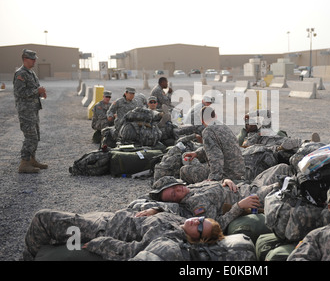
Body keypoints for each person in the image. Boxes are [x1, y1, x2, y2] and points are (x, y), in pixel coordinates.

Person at [131, 164, 291, 231]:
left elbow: (213, 184)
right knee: (286, 184)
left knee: (283, 167)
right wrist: (240, 206)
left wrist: (225, 181)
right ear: (175, 201)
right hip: (249, 197)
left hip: (246, 185)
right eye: (174, 194)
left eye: (174, 186)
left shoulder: (190, 187)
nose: (178, 189)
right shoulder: (195, 206)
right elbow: (216, 224)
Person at [23, 208, 224, 261]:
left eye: (199, 228)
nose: (196, 221)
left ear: (197, 239)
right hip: (107, 218)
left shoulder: (168, 239)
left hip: (98, 230)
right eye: (201, 219)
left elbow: (133, 251)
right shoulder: (179, 221)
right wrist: (155, 209)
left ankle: (31, 257)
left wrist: (99, 244)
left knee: (43, 219)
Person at [181, 106, 245, 183]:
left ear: (202, 120)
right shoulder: (225, 127)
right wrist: (197, 153)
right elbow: (218, 147)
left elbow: (216, 157)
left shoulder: (208, 131)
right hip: (239, 171)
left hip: (227, 175)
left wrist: (213, 179)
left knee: (184, 170)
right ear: (215, 116)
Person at [13, 49, 47, 173]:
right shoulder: (20, 74)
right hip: (25, 111)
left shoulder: (31, 73)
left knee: (36, 136)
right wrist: (36, 92)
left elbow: (35, 89)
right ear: (24, 59)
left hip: (33, 110)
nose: (34, 61)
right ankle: (24, 164)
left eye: (35, 59)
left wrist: (41, 93)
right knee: (30, 137)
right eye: (32, 59)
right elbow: (20, 92)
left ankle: (32, 160)